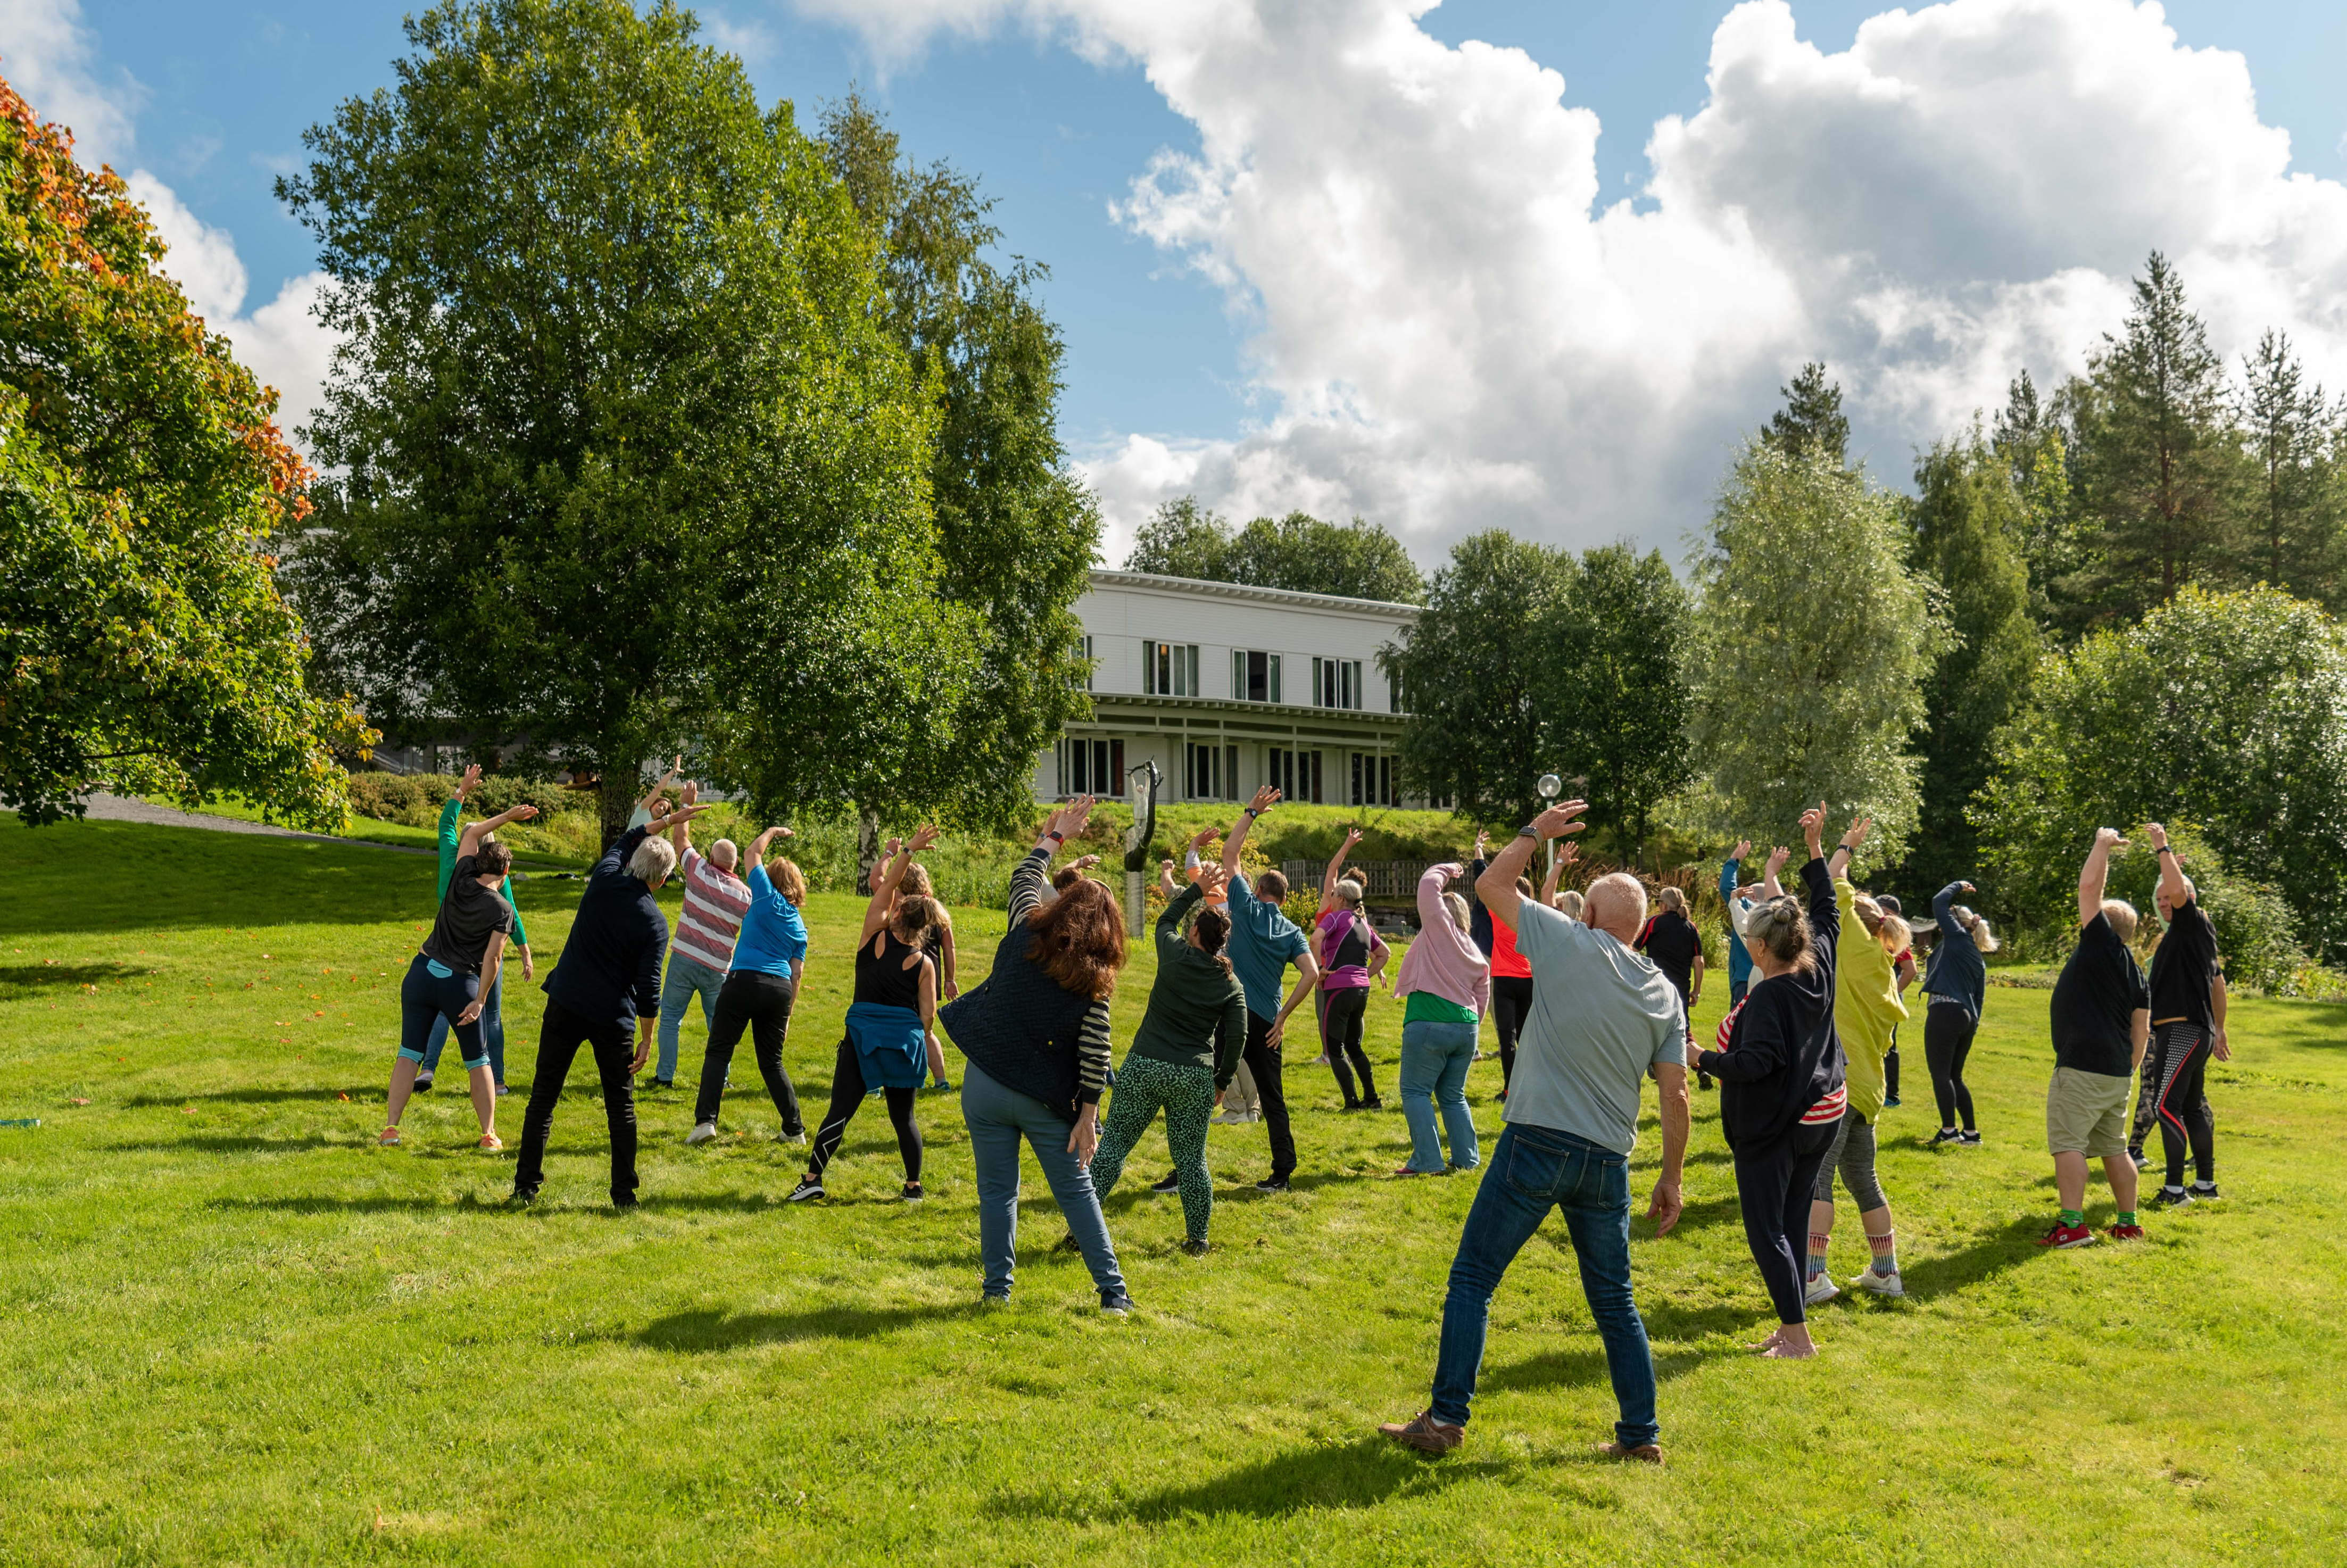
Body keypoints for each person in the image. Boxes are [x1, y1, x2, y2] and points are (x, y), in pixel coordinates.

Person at [1378, 799, 1688, 1462]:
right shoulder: (1664, 991)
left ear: (1594, 917)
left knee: (1473, 1278)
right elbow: (1676, 1092)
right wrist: (1671, 1177)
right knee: (1614, 1302)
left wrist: (1532, 834)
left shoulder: (1566, 937)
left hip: (1536, 1141)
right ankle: (1640, 1438)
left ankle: (1444, 1420)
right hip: (1608, 1162)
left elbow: (1488, 887)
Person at [940, 797, 1132, 1310]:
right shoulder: (1095, 981)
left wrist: (1055, 837)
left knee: (996, 1192)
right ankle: (1113, 1294)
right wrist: (1088, 1115)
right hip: (1044, 1098)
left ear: (1061, 906)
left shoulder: (1024, 927)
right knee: (1077, 1195)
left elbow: (1024, 875)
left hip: (983, 1082)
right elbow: (1096, 1053)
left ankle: (996, 1293)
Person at [1691, 805, 1851, 1360]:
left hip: (1779, 1124)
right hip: (1822, 1113)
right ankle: (1790, 1328)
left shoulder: (1767, 996)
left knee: (1768, 1231)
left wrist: (1701, 1057)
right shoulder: (1819, 961)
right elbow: (1828, 910)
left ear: (1758, 948)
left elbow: (1754, 1063)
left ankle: (1798, 1339)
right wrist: (1816, 848)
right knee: (1790, 1221)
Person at [513, 799, 715, 1206]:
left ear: (634, 864)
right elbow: (648, 986)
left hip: (566, 1001)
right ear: (662, 880)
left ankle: (525, 1187)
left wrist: (666, 822)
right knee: (620, 1107)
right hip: (612, 1018)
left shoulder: (603, 879)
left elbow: (627, 838)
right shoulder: (654, 921)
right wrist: (647, 1038)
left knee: (543, 1097)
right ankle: (624, 1195)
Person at [1087, 863, 1250, 1254]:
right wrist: (1222, 1082)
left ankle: (1082, 1232)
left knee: (1112, 1150)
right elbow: (1238, 1035)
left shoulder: (1173, 951)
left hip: (1145, 1064)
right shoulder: (1231, 984)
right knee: (1191, 1161)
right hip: (1195, 1077)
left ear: (1195, 933)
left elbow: (1166, 918)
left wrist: (1196, 889)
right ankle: (1198, 1240)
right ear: (1221, 943)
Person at [790, 828, 941, 1203]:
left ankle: (812, 1179)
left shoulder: (873, 935)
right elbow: (928, 1018)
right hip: (903, 1044)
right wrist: (911, 1041)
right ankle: (912, 1187)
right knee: (904, 1118)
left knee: (840, 1110)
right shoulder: (924, 964)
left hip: (862, 1039)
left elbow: (889, 880)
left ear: (895, 912)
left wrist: (905, 850)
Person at [380, 799, 541, 1148]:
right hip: (459, 984)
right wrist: (480, 1000)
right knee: (477, 1059)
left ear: (475, 861)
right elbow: (493, 960)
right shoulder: (503, 909)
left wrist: (505, 814)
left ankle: (391, 1128)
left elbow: (471, 832)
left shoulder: (460, 875)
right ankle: (488, 1134)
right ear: (506, 872)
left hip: (421, 974)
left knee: (409, 1052)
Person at [1804, 828, 1911, 1304]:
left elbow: (1831, 884)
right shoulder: (1885, 969)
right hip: (1868, 1087)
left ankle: (1811, 1277)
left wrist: (1833, 844)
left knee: (1817, 1177)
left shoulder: (1852, 945)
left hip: (1836, 1082)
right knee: (1862, 1177)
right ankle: (1885, 1273)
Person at [2038, 828, 2150, 1247]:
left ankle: (2071, 1225)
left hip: (2081, 1068)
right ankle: (2127, 1222)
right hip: (2116, 1073)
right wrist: (2128, 1068)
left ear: (2102, 924)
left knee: (2067, 1143)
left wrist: (2101, 844)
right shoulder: (2137, 973)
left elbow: (2088, 887)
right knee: (2114, 1149)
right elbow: (2141, 1026)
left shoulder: (2100, 945)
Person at [1217, 787, 1324, 1192]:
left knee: (1204, 1088)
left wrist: (1251, 812)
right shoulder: (1293, 931)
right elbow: (1312, 974)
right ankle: (1282, 1172)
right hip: (1266, 1022)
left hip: (1231, 1012)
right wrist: (1282, 1016)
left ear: (1257, 889)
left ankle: (1184, 1168)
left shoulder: (1243, 906)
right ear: (1282, 898)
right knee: (1273, 1099)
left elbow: (1231, 853)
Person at [414, 765, 533, 1097]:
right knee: (491, 1016)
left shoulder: (453, 867)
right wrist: (524, 952)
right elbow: (512, 917)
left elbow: (446, 825)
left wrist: (461, 791)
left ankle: (427, 1068)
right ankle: (497, 1080)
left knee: (443, 1011)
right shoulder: (497, 880)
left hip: (446, 949)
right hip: (480, 957)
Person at [687, 823, 808, 1147]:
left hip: (744, 981)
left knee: (719, 1051)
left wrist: (771, 832)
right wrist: (787, 1016)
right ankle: (794, 1130)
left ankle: (705, 1123)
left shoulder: (765, 894)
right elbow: (796, 975)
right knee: (772, 1062)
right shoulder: (800, 927)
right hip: (779, 991)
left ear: (771, 879)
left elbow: (753, 852)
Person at [2135, 822, 2228, 1206]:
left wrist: (2162, 847)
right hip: (2195, 1032)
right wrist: (2168, 866)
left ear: (2187, 899)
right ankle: (2204, 1184)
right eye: (2157, 901)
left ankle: (2174, 1189)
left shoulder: (2192, 921)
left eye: (2168, 899)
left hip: (2182, 1032)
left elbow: (2178, 891)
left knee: (2164, 1105)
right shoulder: (2186, 935)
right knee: (2191, 1105)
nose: (2163, 904)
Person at [650, 781, 753, 1092]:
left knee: (670, 1019)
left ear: (712, 857)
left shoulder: (698, 870)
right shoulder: (746, 895)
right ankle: (720, 1079)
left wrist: (685, 805)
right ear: (735, 865)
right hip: (718, 968)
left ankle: (665, 1076)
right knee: (717, 1026)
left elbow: (680, 838)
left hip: (684, 956)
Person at [1391, 863, 1490, 1175]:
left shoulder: (1438, 931)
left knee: (1415, 1091)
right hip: (1467, 1027)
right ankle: (1466, 1158)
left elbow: (1427, 886)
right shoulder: (1473, 948)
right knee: (1453, 1096)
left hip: (1430, 1022)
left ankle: (1427, 1161)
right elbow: (1483, 993)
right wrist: (1473, 1032)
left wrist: (1449, 868)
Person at [1314, 828, 1391, 1110]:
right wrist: (1367, 974)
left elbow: (1314, 940)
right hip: (1361, 991)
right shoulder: (1363, 923)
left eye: (1334, 894)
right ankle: (1372, 1099)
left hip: (1338, 988)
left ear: (1342, 898)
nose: (1331, 895)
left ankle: (1352, 1103)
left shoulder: (1335, 918)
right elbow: (1385, 953)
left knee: (1334, 1049)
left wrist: (1320, 969)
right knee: (1354, 1046)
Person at [1921, 881, 1996, 1146]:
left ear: (1954, 922)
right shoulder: (1975, 955)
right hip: (1966, 1018)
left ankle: (1950, 1131)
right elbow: (1980, 997)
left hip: (1945, 1012)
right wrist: (1972, 1026)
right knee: (1955, 1076)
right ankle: (1972, 1134)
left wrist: (1957, 886)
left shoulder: (1957, 938)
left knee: (1940, 1073)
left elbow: (1938, 901)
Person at [1468, 830, 1536, 1100]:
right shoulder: (1535, 914)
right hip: (1529, 980)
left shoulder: (1498, 911)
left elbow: (1483, 879)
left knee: (1507, 1037)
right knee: (1527, 1038)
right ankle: (1532, 1087)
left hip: (1505, 979)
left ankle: (1510, 1089)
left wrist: (1479, 850)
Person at [897, 860, 959, 1089]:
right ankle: (941, 1080)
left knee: (900, 1025)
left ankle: (904, 1077)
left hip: (906, 974)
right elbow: (949, 946)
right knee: (927, 1030)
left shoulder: (903, 908)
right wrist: (950, 979)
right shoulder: (935, 907)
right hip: (930, 978)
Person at [1633, 884, 1704, 1070]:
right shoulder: (1691, 927)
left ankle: (1652, 1065)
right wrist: (1696, 991)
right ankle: (1699, 1066)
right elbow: (1699, 962)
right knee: (1682, 1027)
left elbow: (1635, 948)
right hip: (1681, 985)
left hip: (1656, 982)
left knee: (1652, 1023)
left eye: (1658, 902)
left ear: (1664, 905)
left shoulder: (1655, 922)